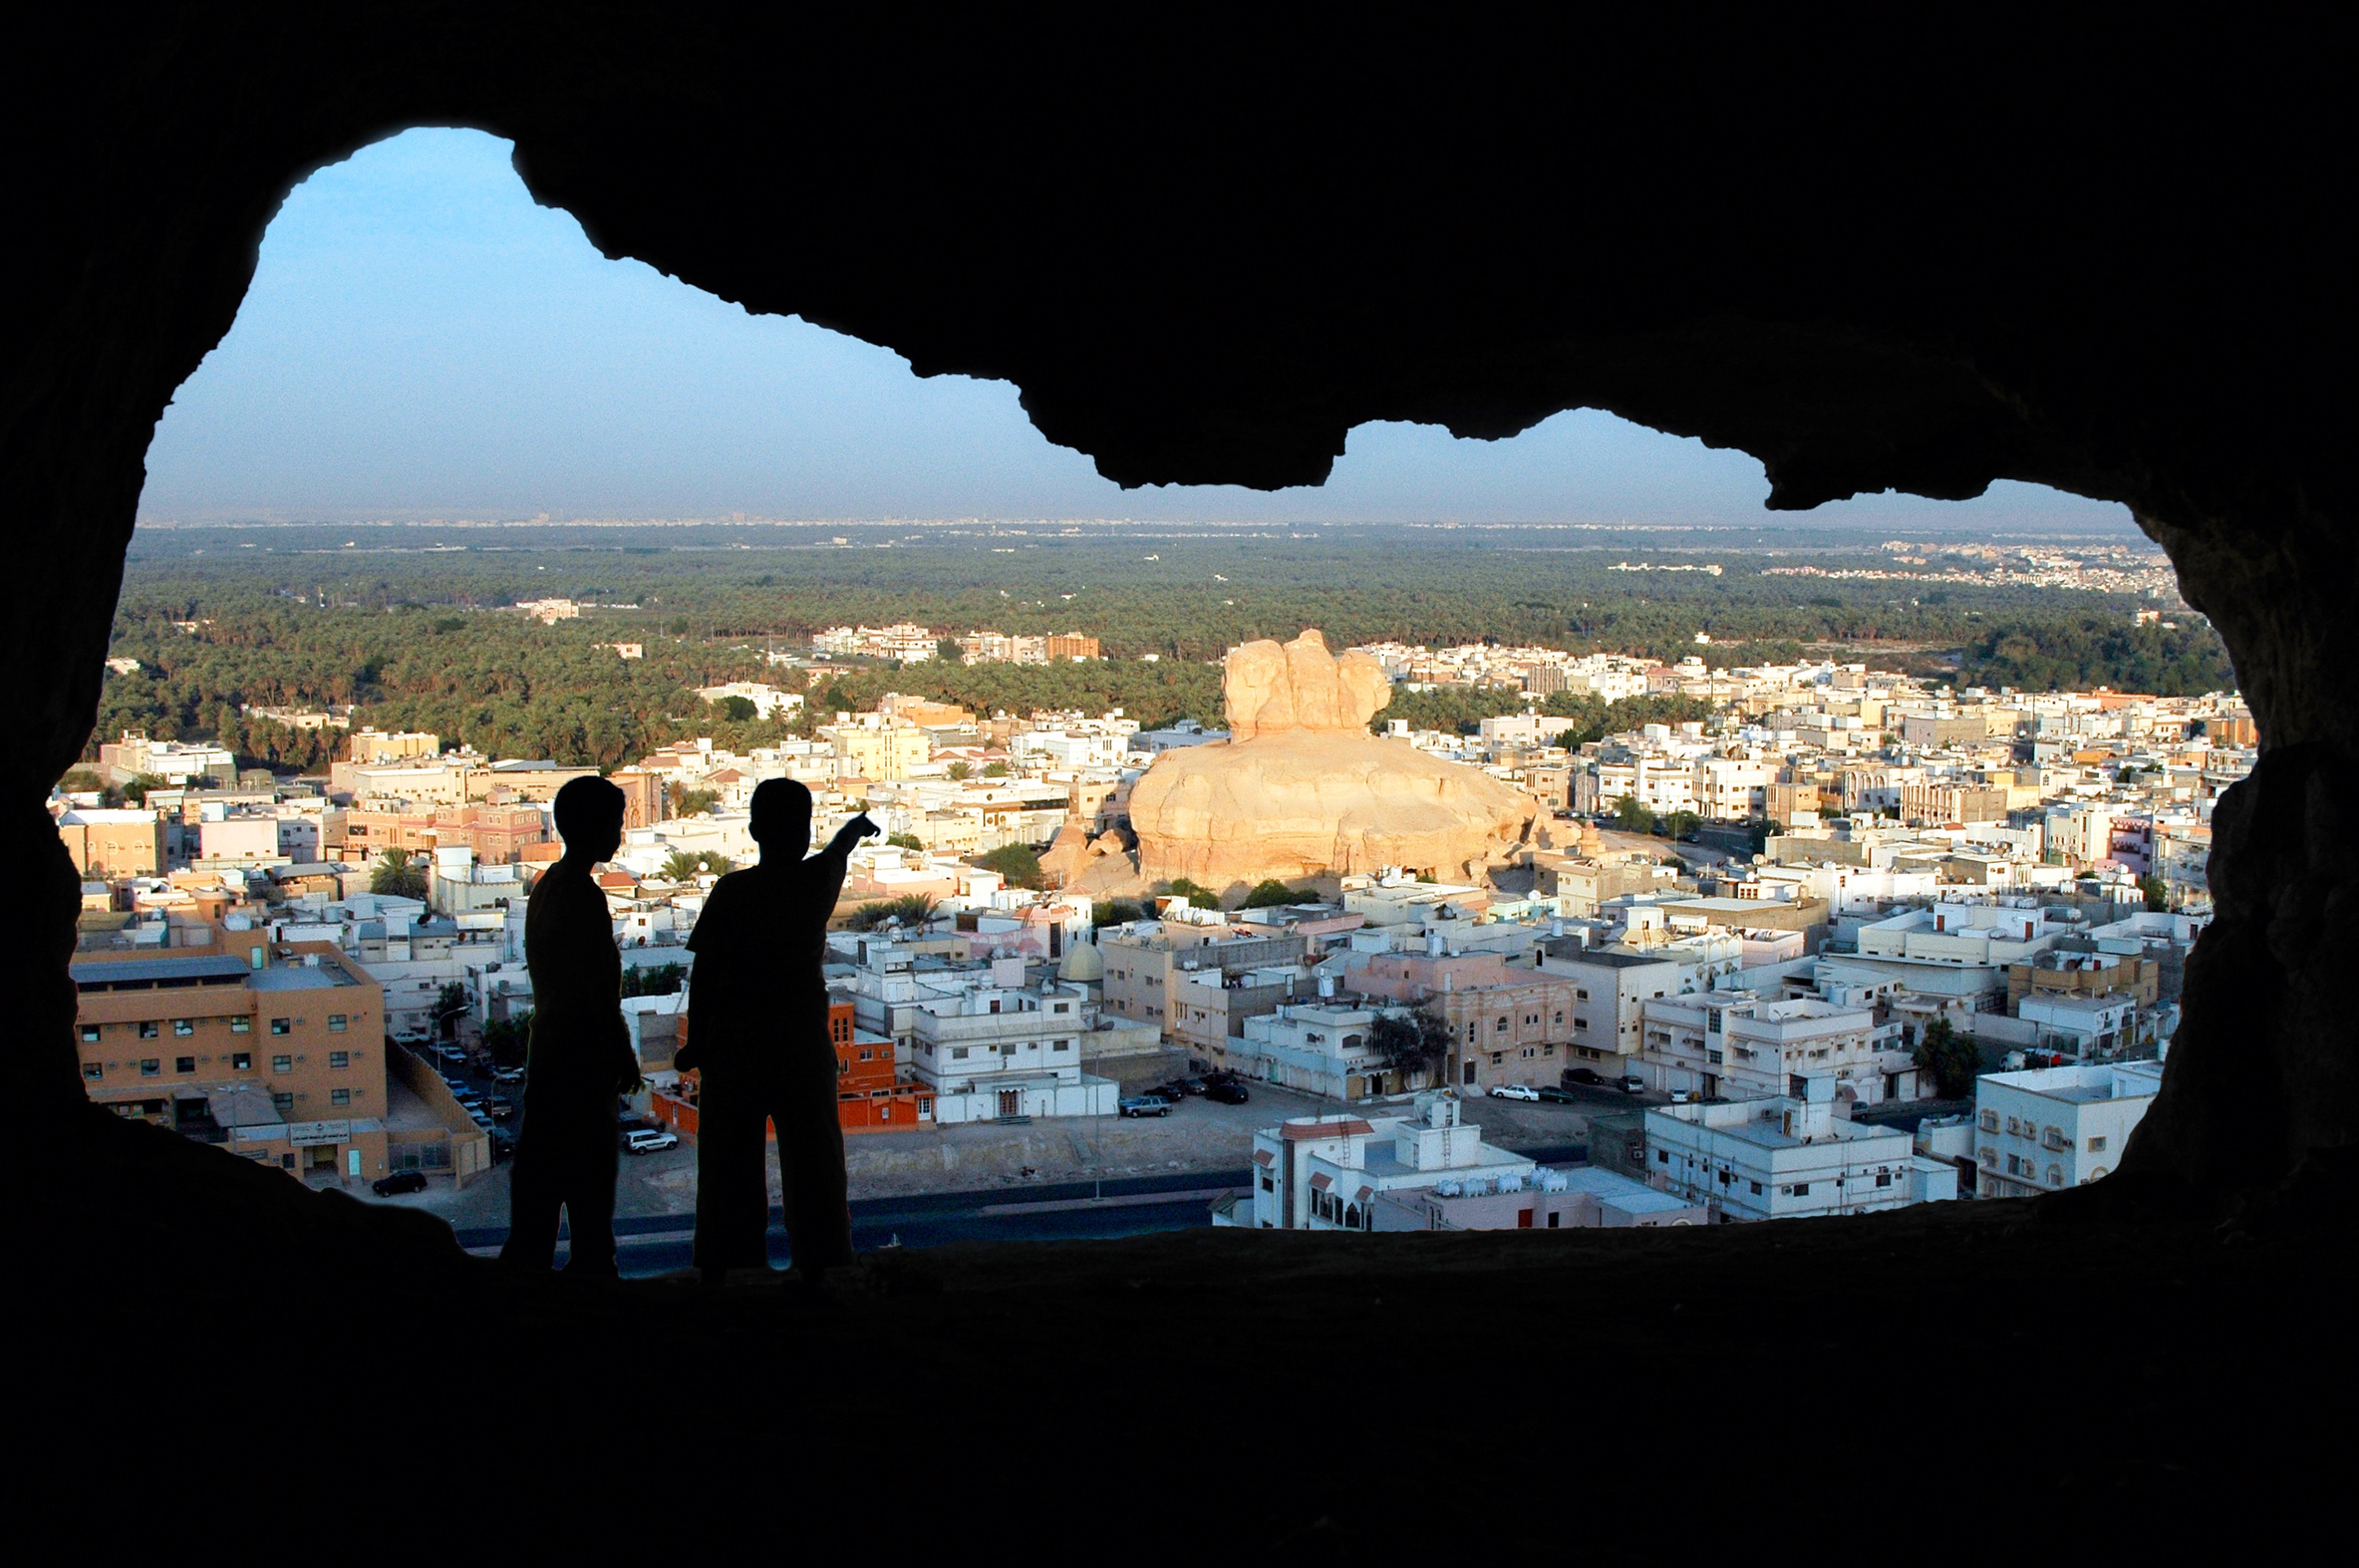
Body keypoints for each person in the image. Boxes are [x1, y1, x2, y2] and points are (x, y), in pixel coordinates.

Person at [680, 781, 876, 1290]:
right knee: (816, 1167)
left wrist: (697, 1042)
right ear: (805, 832)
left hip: (735, 1049)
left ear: (753, 831)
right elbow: (838, 853)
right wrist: (852, 830)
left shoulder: (732, 892)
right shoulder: (814, 884)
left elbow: (704, 974)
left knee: (729, 1169)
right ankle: (826, 1263)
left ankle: (730, 1268)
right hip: (802, 1048)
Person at [500, 775, 642, 1275]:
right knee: (588, 1179)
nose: (621, 835)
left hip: (552, 1051)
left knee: (542, 1177)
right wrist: (621, 1052)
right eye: (616, 824)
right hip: (579, 1057)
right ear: (593, 827)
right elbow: (594, 992)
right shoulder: (582, 895)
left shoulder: (548, 886)